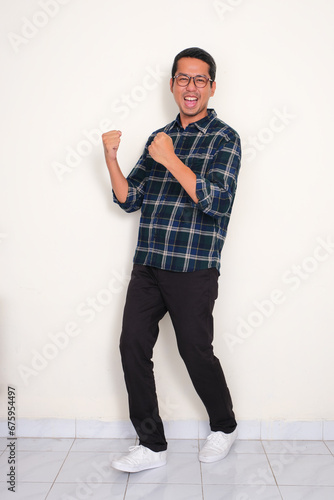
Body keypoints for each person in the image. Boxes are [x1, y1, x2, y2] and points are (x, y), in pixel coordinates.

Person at [102, 47, 241, 473]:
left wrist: (172, 159)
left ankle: (225, 425)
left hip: (194, 266)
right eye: (184, 78)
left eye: (200, 80)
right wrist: (110, 159)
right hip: (149, 263)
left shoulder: (224, 138)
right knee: (131, 346)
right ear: (172, 85)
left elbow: (216, 201)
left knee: (195, 351)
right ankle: (151, 444)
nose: (191, 87)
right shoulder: (158, 137)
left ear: (212, 87)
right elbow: (131, 199)